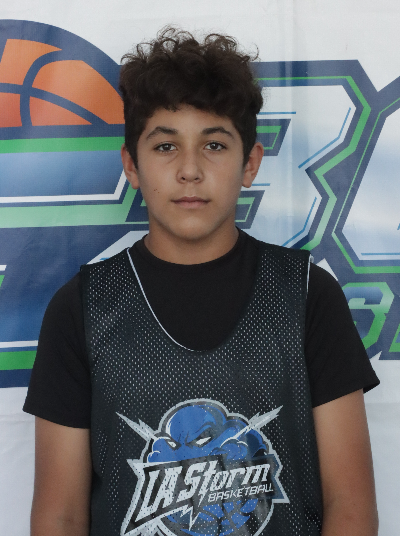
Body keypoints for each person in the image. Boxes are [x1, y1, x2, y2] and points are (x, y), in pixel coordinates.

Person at [24, 27, 379, 536]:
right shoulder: (82, 308)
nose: (189, 169)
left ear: (249, 163)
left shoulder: (307, 296)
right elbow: (60, 517)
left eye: (214, 144)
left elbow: (352, 508)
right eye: (166, 146)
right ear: (132, 166)